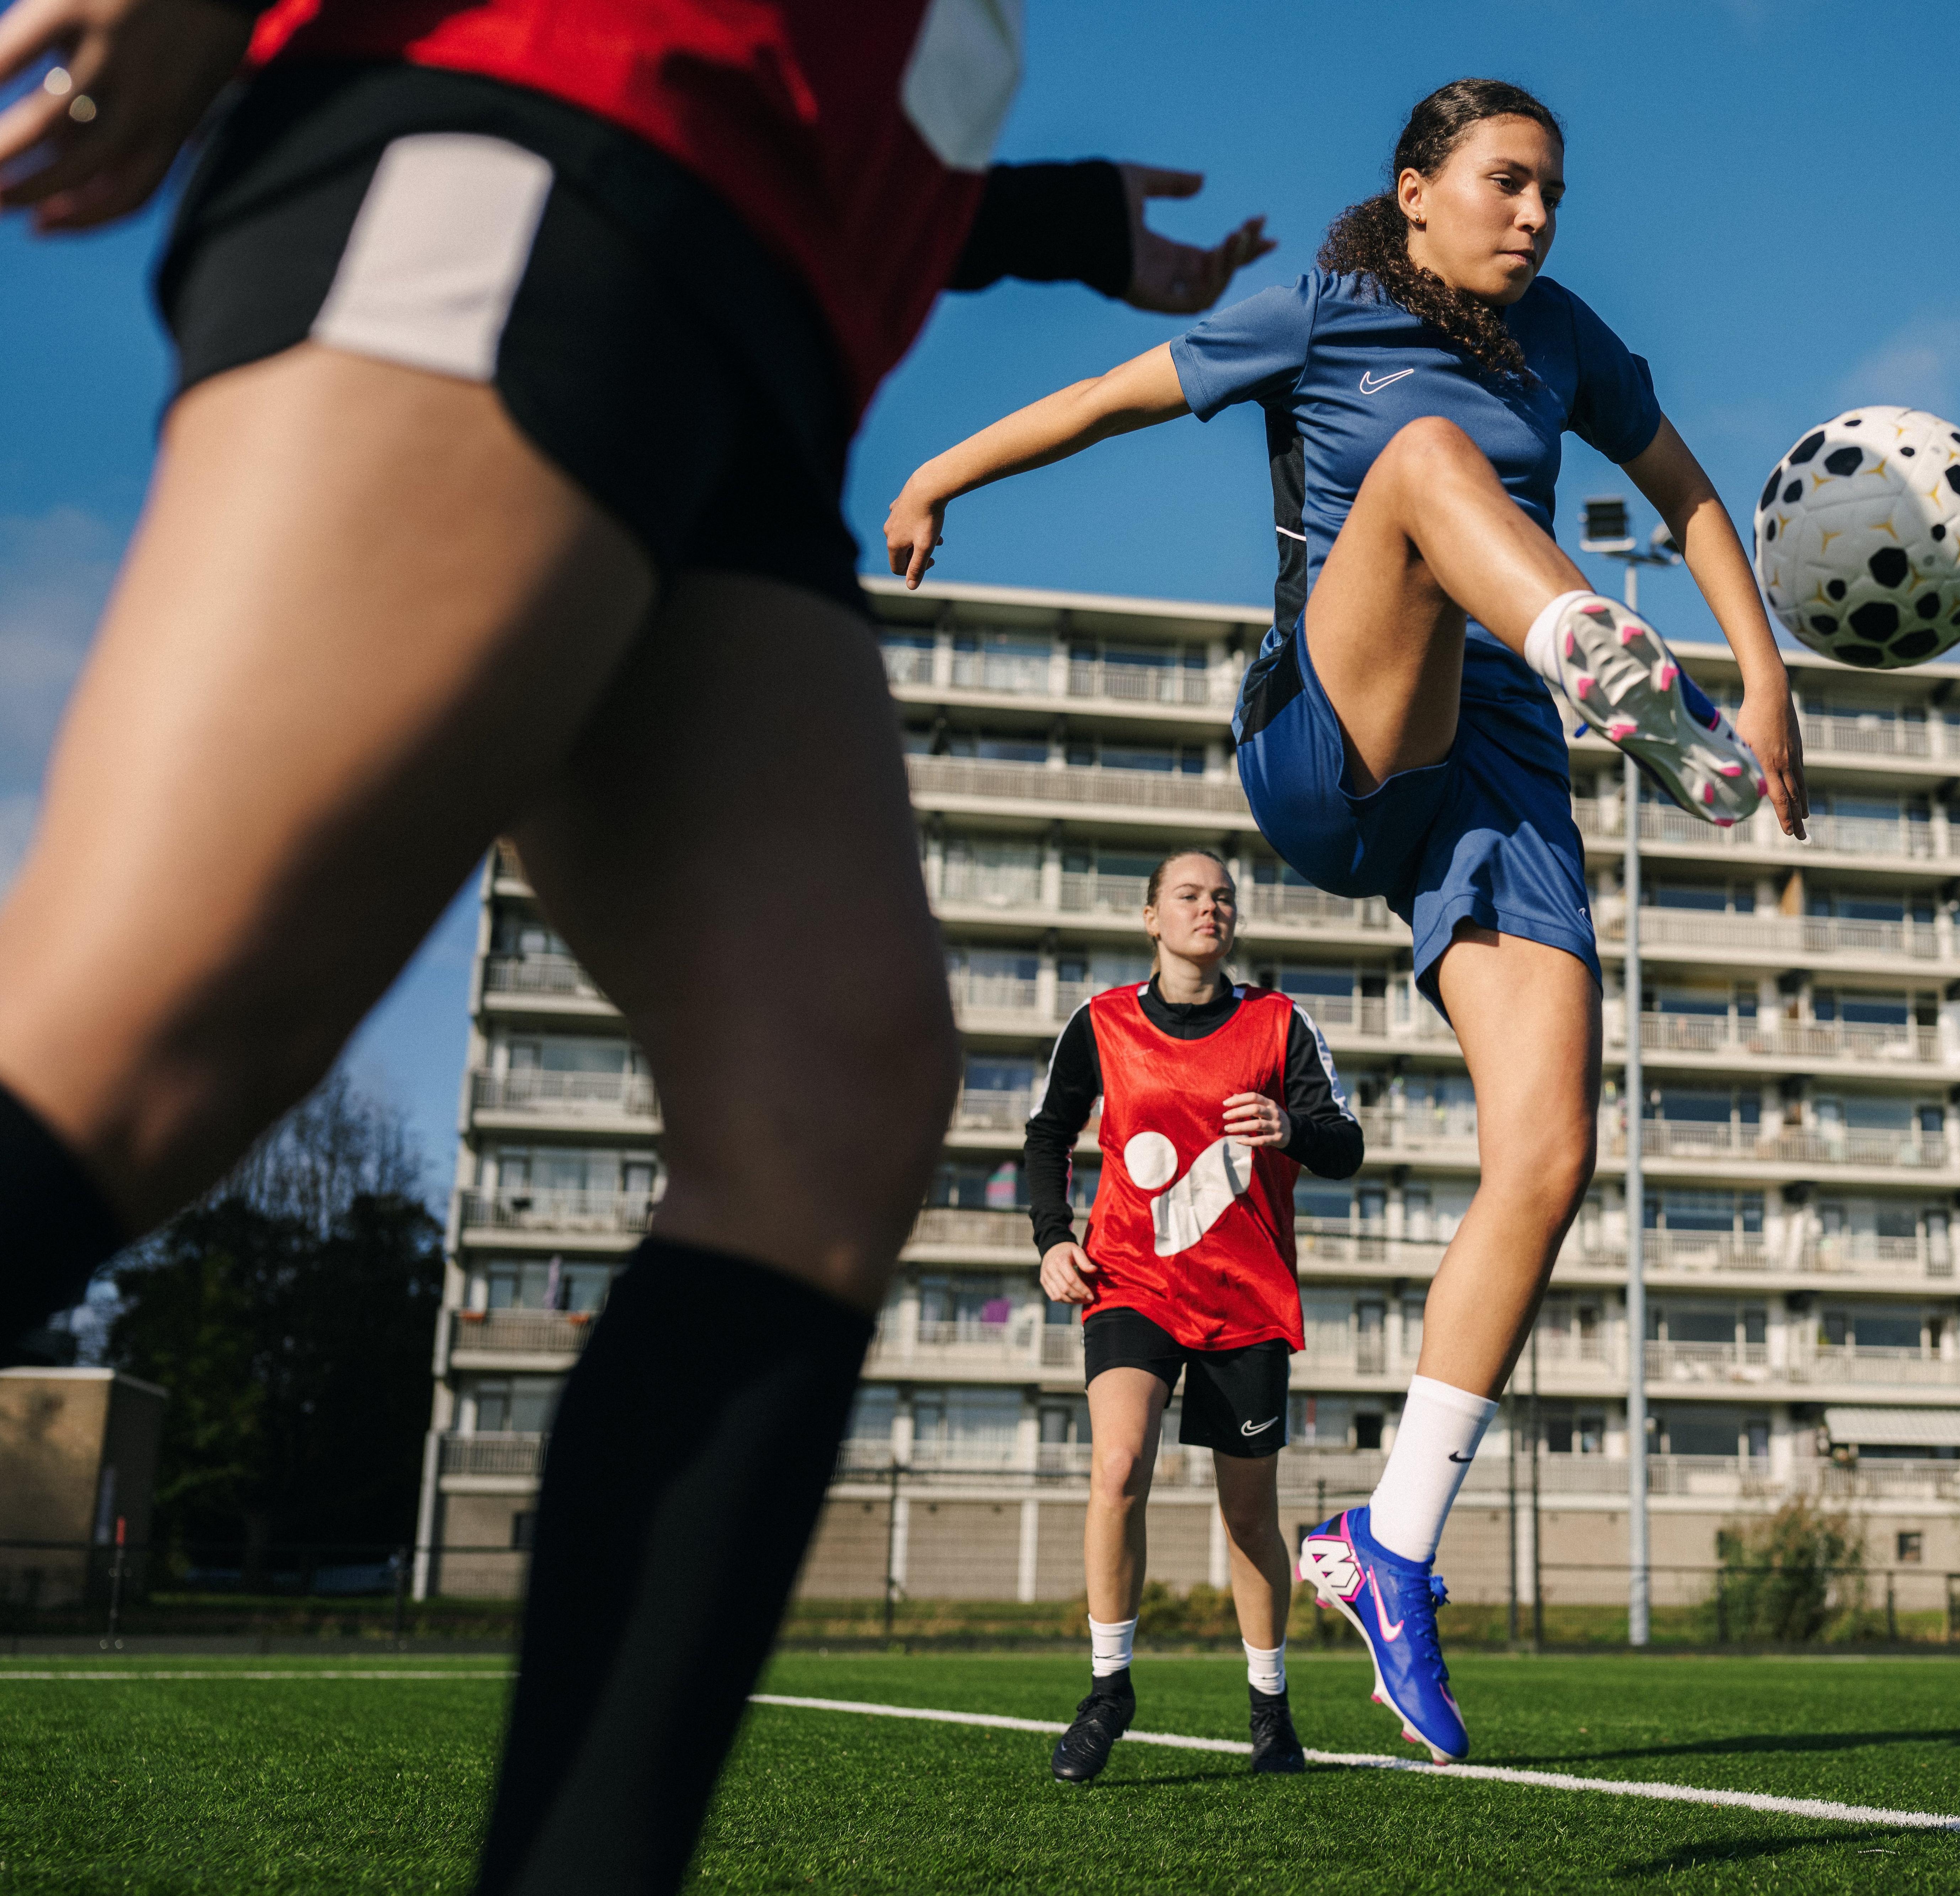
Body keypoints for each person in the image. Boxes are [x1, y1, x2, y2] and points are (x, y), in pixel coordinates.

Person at [0, 1, 1271, 1888]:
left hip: (751, 312)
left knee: (827, 1102)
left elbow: (853, 78)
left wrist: (1053, 220)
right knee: (140, 1047)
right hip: (541, 129)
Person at [885, 76, 1810, 1763]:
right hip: (1330, 733)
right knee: (1429, 458)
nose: (1534, 216)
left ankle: (1387, 1542)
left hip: (1505, 777)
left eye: (1552, 193)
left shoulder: (1569, 340)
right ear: (1414, 193)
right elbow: (1109, 398)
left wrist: (1760, 682)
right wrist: (941, 467)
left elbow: (1685, 490)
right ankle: (1589, 648)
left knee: (1546, 1154)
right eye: (1504, 184)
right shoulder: (1322, 313)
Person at [1020, 847, 1361, 1782]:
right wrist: (1053, 1237)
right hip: (1130, 1283)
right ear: (1152, 918)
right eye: (1189, 895)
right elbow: (1048, 1132)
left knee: (1249, 1518)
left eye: (1222, 898)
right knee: (1119, 1463)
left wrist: (1293, 1129)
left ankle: (1270, 1711)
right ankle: (1107, 1689)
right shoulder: (1101, 1023)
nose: (1208, 909)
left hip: (1245, 1298)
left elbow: (1346, 1144)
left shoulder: (1279, 1024)